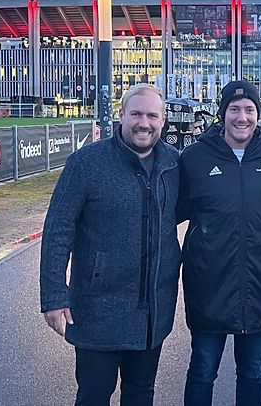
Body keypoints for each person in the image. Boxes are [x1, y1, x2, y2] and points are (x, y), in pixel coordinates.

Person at [39, 83, 181, 406]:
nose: (143, 123)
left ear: (163, 120)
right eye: (136, 114)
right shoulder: (86, 164)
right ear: (121, 116)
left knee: (140, 394)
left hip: (150, 312)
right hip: (97, 311)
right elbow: (58, 229)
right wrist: (53, 295)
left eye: (151, 115)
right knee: (93, 395)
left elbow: (182, 211)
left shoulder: (173, 164)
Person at [177, 80, 261, 406]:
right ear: (222, 113)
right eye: (234, 109)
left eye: (249, 110)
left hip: (260, 284)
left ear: (258, 114)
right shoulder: (195, 157)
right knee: (202, 370)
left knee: (253, 371)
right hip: (208, 284)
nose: (242, 117)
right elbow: (176, 208)